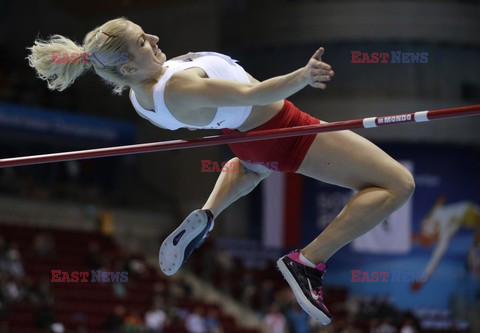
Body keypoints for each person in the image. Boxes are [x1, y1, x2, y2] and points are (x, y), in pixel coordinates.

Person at [27, 17, 415, 325]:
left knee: (252, 168)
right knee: (398, 184)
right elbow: (255, 94)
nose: (156, 37)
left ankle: (209, 212)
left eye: (145, 32)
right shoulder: (179, 87)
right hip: (285, 132)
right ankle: (308, 262)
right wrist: (302, 76)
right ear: (127, 65)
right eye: (143, 41)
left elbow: (228, 97)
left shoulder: (139, 95)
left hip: (247, 139)